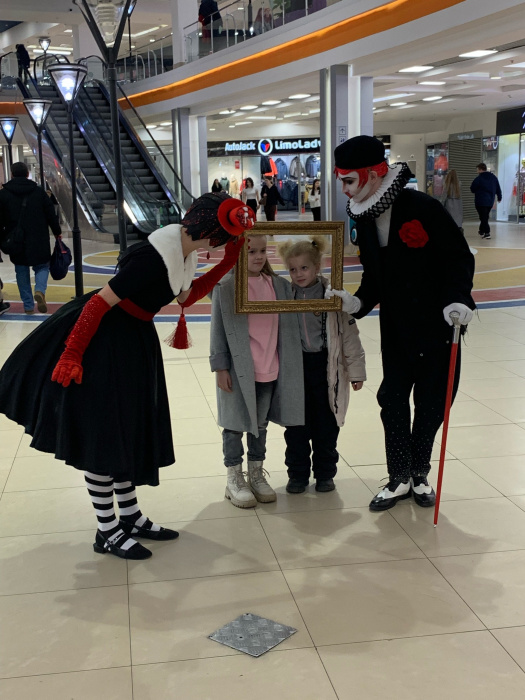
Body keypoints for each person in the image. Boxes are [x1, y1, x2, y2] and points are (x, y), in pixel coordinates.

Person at [0, 193, 253, 560]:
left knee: (125, 431)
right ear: (212, 232)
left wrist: (227, 263)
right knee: (104, 436)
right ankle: (107, 530)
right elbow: (98, 303)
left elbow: (186, 297)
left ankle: (130, 517)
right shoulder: (153, 257)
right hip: (105, 343)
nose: (223, 244)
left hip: (132, 340)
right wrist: (72, 353)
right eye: (225, 239)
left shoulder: (184, 253)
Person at [328, 135, 475, 511]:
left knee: (432, 402)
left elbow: (458, 257)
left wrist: (458, 297)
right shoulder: (363, 217)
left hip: (439, 325)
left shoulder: (422, 207)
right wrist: (359, 302)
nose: (344, 190)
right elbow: (376, 276)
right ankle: (399, 476)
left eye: (349, 181)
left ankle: (419, 472)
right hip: (396, 327)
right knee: (392, 398)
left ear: (374, 173)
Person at [210, 234, 304, 507]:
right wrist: (220, 367)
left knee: (259, 425)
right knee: (234, 425)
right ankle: (234, 477)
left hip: (269, 367)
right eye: (251, 251)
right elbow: (218, 330)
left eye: (263, 250)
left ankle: (255, 473)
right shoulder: (226, 287)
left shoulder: (279, 286)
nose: (259, 256)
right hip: (238, 370)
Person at [279, 236, 366, 493]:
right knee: (296, 426)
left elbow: (349, 336)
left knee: (326, 425)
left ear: (318, 267)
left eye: (304, 267)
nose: (298, 274)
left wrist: (356, 372)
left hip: (327, 370)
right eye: (293, 269)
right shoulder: (285, 296)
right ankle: (297, 474)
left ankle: (325, 473)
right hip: (296, 370)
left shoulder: (332, 296)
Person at [0, 162, 61, 314]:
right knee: (42, 266)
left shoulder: (3, 194)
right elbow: (51, 214)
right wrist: (57, 231)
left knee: (21, 270)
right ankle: (39, 290)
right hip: (39, 237)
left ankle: (28, 306)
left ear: (12, 174)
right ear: (27, 174)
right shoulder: (39, 192)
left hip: (16, 239)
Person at [470, 163, 502, 240]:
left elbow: (472, 189)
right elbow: (498, 188)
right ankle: (481, 231)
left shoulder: (479, 178)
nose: (477, 171)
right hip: (490, 201)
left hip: (480, 201)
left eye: (477, 169)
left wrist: (478, 190)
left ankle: (487, 233)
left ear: (480, 169)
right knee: (484, 216)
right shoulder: (493, 178)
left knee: (483, 217)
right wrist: (499, 197)